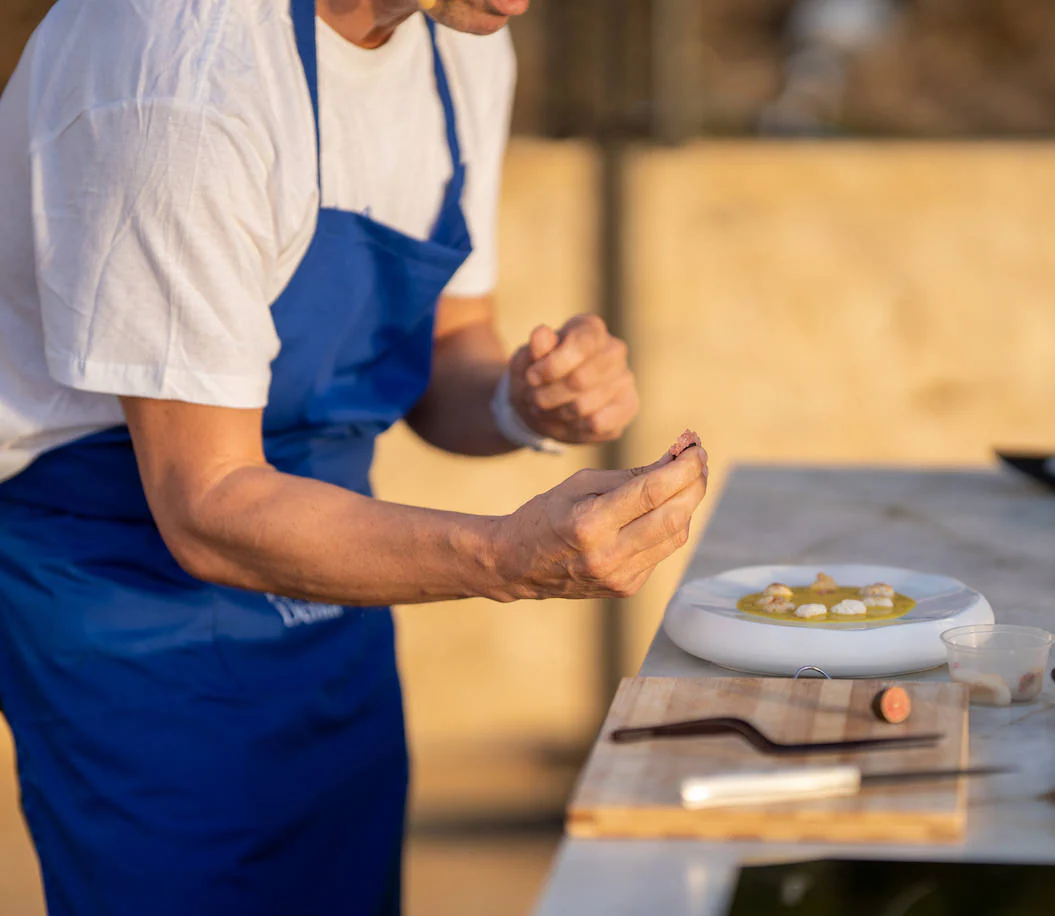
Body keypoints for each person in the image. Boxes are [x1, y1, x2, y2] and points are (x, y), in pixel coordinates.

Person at [0, 0, 708, 913]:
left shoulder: (463, 44)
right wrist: (506, 557)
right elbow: (207, 503)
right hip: (123, 589)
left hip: (335, 576)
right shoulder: (179, 70)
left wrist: (520, 400)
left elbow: (451, 345)